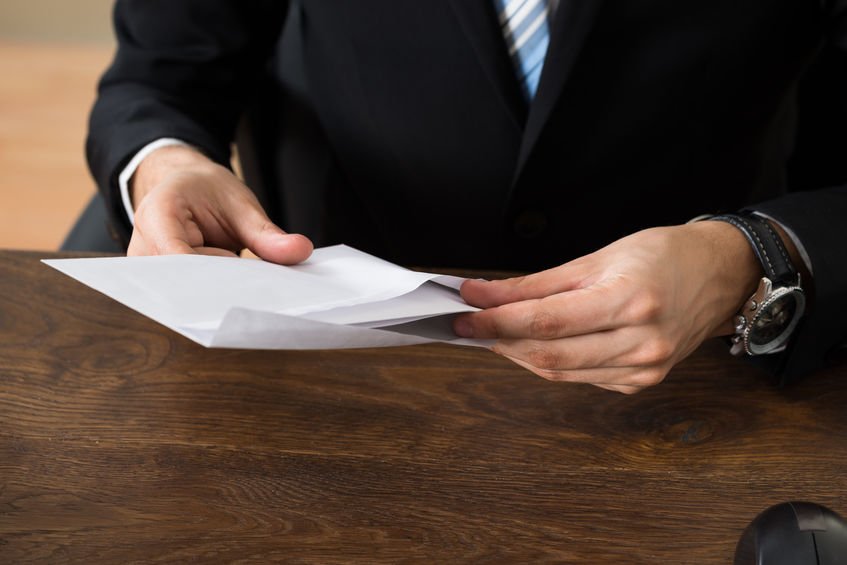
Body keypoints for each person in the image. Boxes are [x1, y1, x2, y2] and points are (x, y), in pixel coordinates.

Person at [87, 0, 847, 394]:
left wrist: (747, 262)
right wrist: (163, 164)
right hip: (315, 348)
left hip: (704, 364)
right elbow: (159, 74)